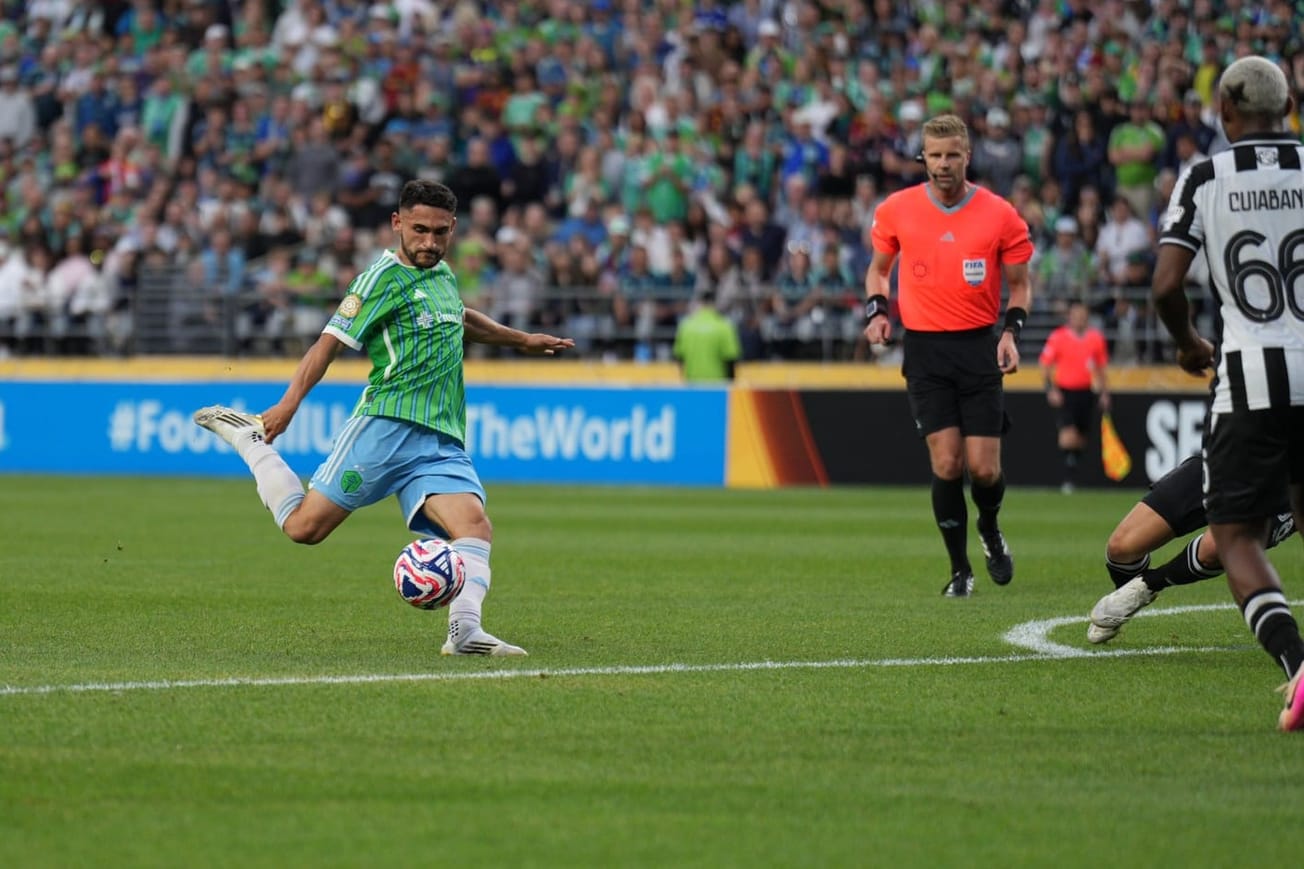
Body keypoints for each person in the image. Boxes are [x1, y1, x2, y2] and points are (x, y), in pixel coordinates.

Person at [192, 180, 575, 657]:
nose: (429, 242)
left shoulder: (442, 274)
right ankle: (252, 442)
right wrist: (289, 403)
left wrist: (522, 340)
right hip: (385, 426)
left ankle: (465, 633)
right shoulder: (378, 280)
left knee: (475, 527)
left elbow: (460, 318)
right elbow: (327, 344)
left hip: (440, 438)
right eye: (419, 230)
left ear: (453, 229)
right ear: (397, 224)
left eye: (440, 232)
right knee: (304, 529)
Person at [1150, 56, 1304, 731]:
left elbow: (1165, 285)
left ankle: (1298, 664)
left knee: (1236, 537)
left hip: (1249, 379)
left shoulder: (1206, 176)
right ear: (1289, 107)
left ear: (1225, 112)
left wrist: (1187, 343)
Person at [863, 113, 1034, 597]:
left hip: (979, 348)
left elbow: (1021, 285)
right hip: (925, 351)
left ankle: (989, 526)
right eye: (934, 155)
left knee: (984, 469)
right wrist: (878, 311)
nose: (942, 164)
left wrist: (1010, 334)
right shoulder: (897, 209)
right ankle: (961, 571)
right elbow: (879, 270)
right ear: (924, 157)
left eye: (951, 155)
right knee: (946, 463)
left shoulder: (1000, 214)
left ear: (967, 156)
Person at [1088, 455, 1296, 644]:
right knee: (1121, 547)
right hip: (1224, 458)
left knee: (1214, 548)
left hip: (1285, 482)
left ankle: (1149, 584)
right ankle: (1124, 598)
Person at [1039, 300, 1110, 494]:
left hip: (1086, 392)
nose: (1079, 318)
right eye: (1076, 314)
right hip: (1065, 392)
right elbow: (1045, 364)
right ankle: (1068, 478)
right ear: (1070, 316)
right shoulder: (1058, 337)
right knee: (1068, 436)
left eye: (1083, 315)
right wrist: (1050, 389)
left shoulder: (1096, 339)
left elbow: (1101, 368)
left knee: (1081, 438)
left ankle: (1072, 471)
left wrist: (1105, 393)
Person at [673, 289, 741, 382]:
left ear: (699, 304)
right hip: (718, 384)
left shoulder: (686, 326)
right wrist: (730, 383)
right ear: (715, 304)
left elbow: (679, 357)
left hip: (692, 383)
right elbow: (730, 358)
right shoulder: (724, 326)